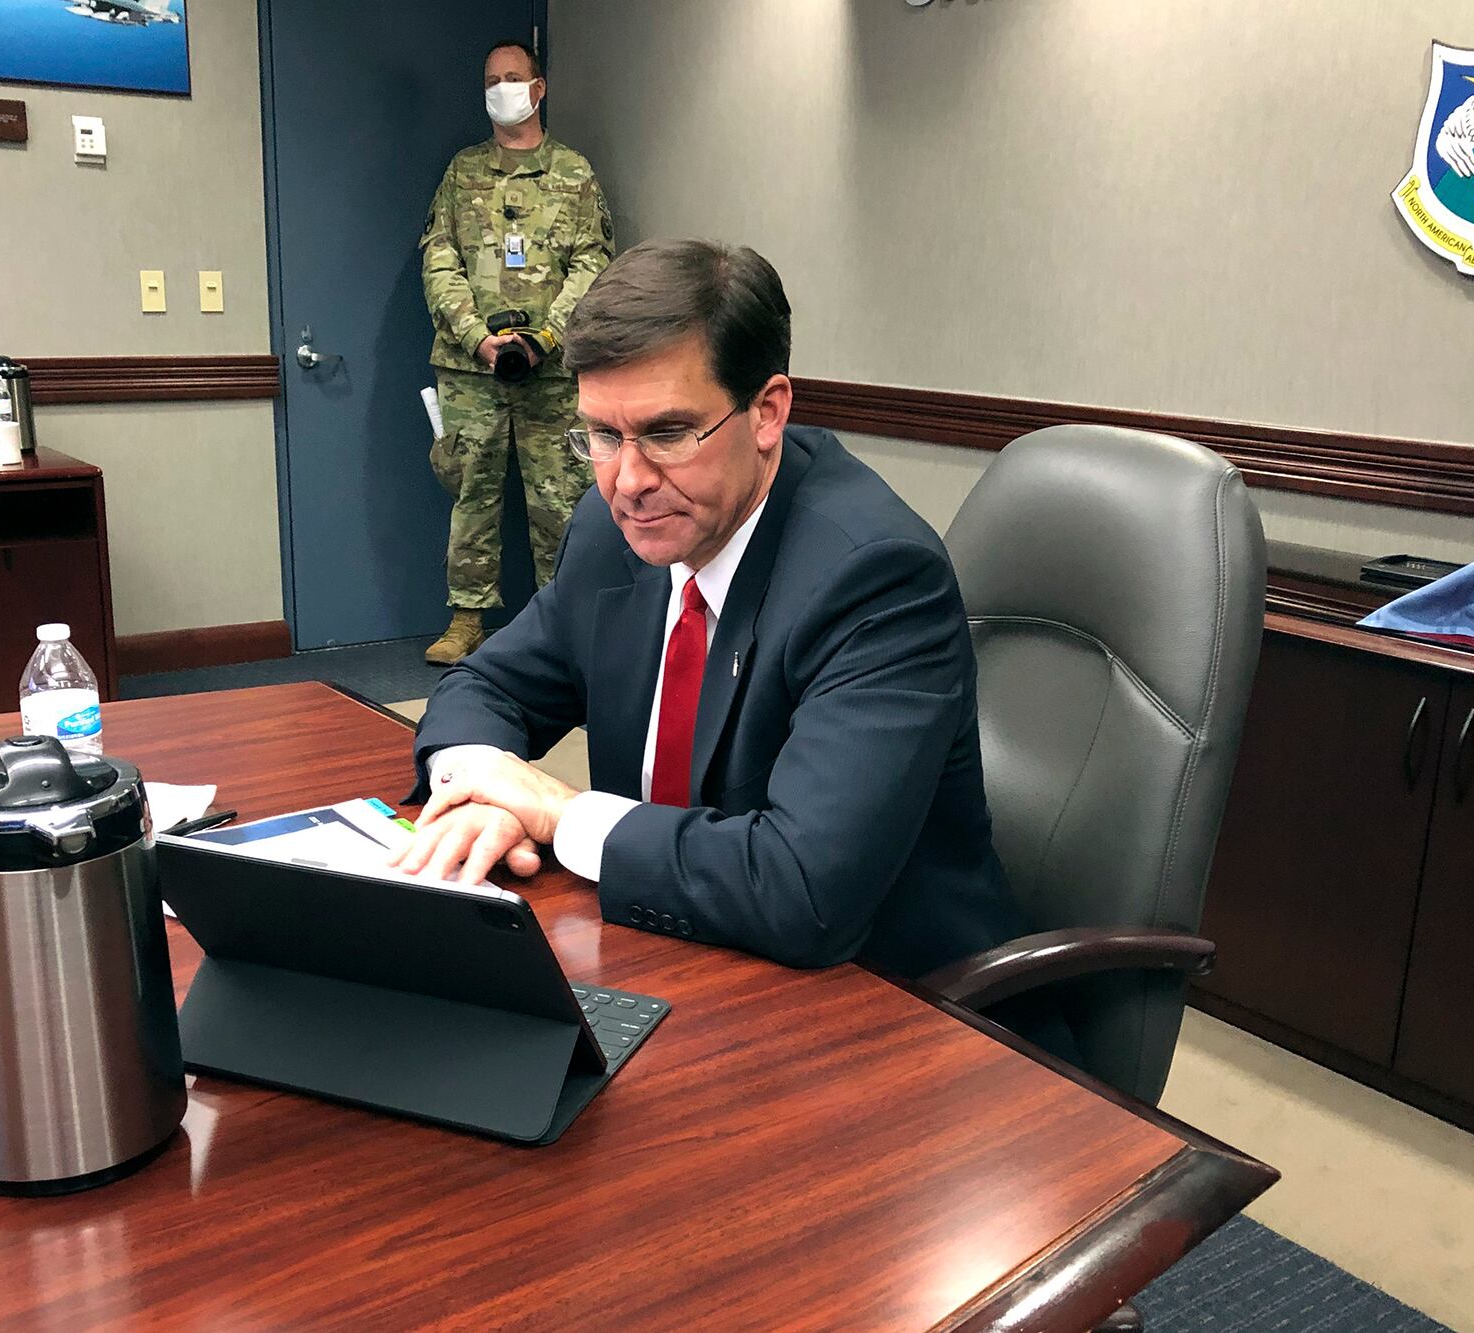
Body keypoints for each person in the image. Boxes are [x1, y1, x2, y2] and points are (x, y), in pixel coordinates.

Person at [396, 240, 1037, 993]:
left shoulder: (875, 578)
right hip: (680, 956)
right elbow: (483, 687)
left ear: (767, 411)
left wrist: (560, 812)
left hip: (892, 1007)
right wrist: (485, 787)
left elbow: (802, 889)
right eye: (602, 434)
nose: (627, 481)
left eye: (667, 433)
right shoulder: (615, 536)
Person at [418, 38, 613, 666]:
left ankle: (565, 624)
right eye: (490, 79)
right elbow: (438, 256)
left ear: (538, 88)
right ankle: (466, 619)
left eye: (512, 77)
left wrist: (546, 337)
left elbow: (593, 263)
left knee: (562, 498)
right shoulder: (462, 172)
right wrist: (477, 336)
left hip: (552, 369)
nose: (499, 88)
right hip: (470, 367)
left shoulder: (574, 174)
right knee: (471, 492)